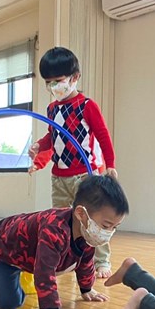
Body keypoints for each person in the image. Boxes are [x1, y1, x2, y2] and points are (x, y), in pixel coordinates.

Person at [0, 174, 129, 309]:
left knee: (56, 259)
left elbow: (85, 262)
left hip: (28, 251)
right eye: (106, 225)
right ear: (81, 213)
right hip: (1, 247)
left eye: (115, 227)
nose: (108, 233)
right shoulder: (54, 230)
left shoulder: (86, 230)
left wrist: (86, 289)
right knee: (8, 305)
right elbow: (44, 273)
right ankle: (16, 273)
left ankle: (25, 269)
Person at [28, 46, 118, 279]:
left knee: (93, 219)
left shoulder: (87, 106)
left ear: (75, 77)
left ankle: (101, 260)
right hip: (59, 177)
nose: (52, 87)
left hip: (85, 175)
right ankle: (66, 257)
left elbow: (102, 135)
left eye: (57, 81)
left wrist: (110, 164)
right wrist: (39, 147)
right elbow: (53, 136)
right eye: (48, 83)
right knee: (61, 220)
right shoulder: (51, 109)